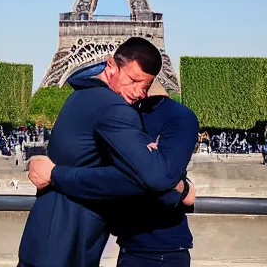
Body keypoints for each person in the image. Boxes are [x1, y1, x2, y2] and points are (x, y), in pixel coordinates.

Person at [18, 38, 194, 267]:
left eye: (145, 86)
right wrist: (178, 185)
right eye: (132, 80)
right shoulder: (114, 108)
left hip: (48, 239)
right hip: (65, 244)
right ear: (111, 65)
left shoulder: (80, 96)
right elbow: (155, 177)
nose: (139, 92)